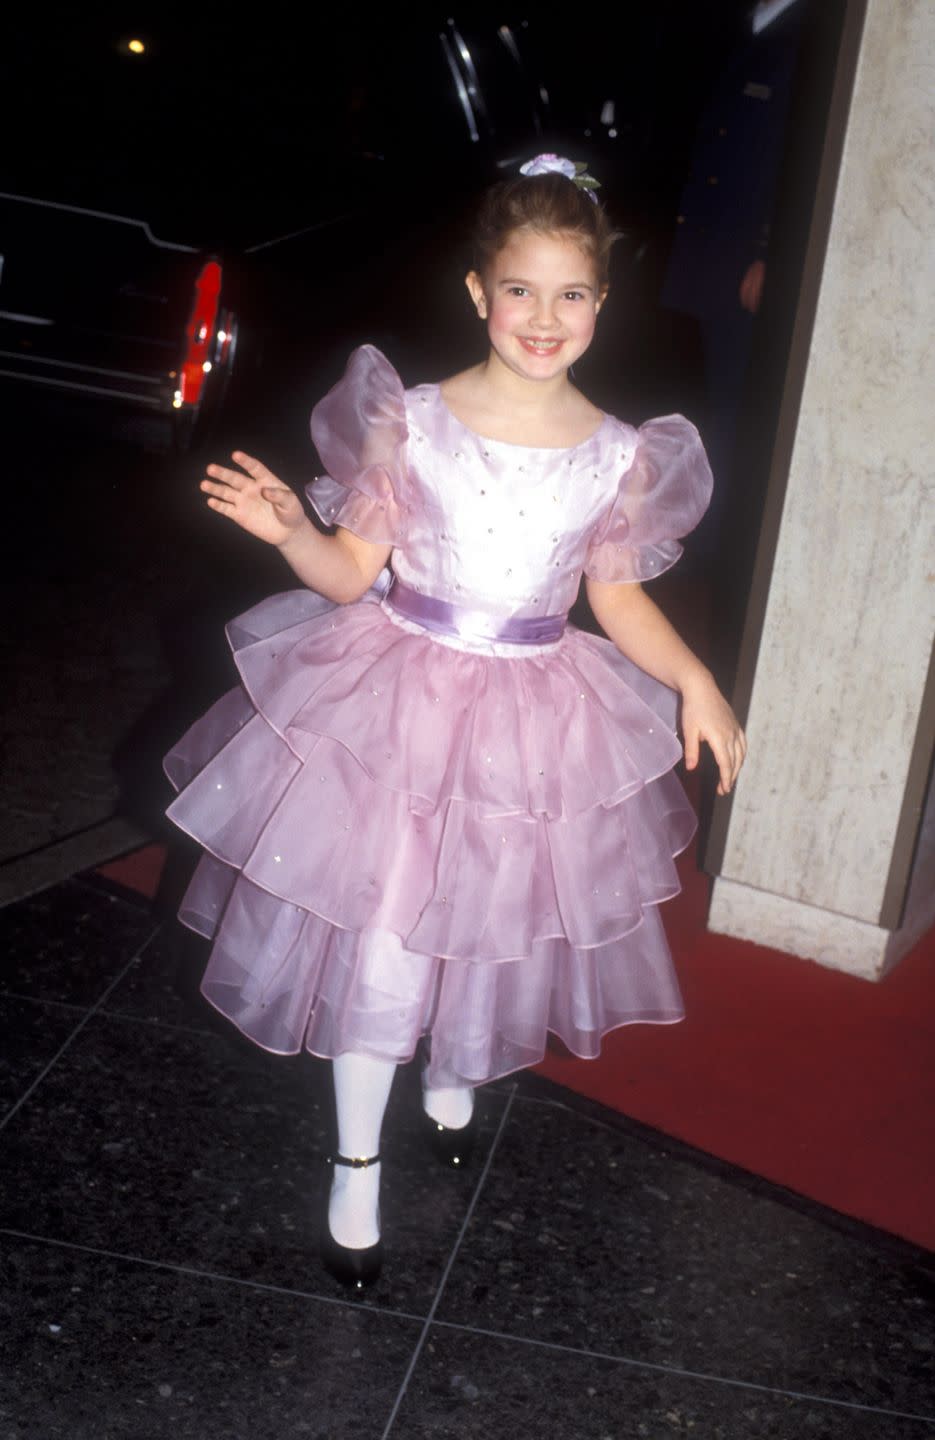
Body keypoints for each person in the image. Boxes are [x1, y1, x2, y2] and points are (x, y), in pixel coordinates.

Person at [164, 154, 746, 1292]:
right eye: (519, 290)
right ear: (478, 292)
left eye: (570, 294)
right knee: (382, 930)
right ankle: (356, 1162)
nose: (544, 317)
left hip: (533, 710)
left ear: (600, 306)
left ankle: (453, 1071)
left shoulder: (618, 454)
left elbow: (616, 597)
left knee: (492, 909)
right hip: (399, 696)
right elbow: (347, 576)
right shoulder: (412, 423)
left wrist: (696, 682)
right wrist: (290, 526)